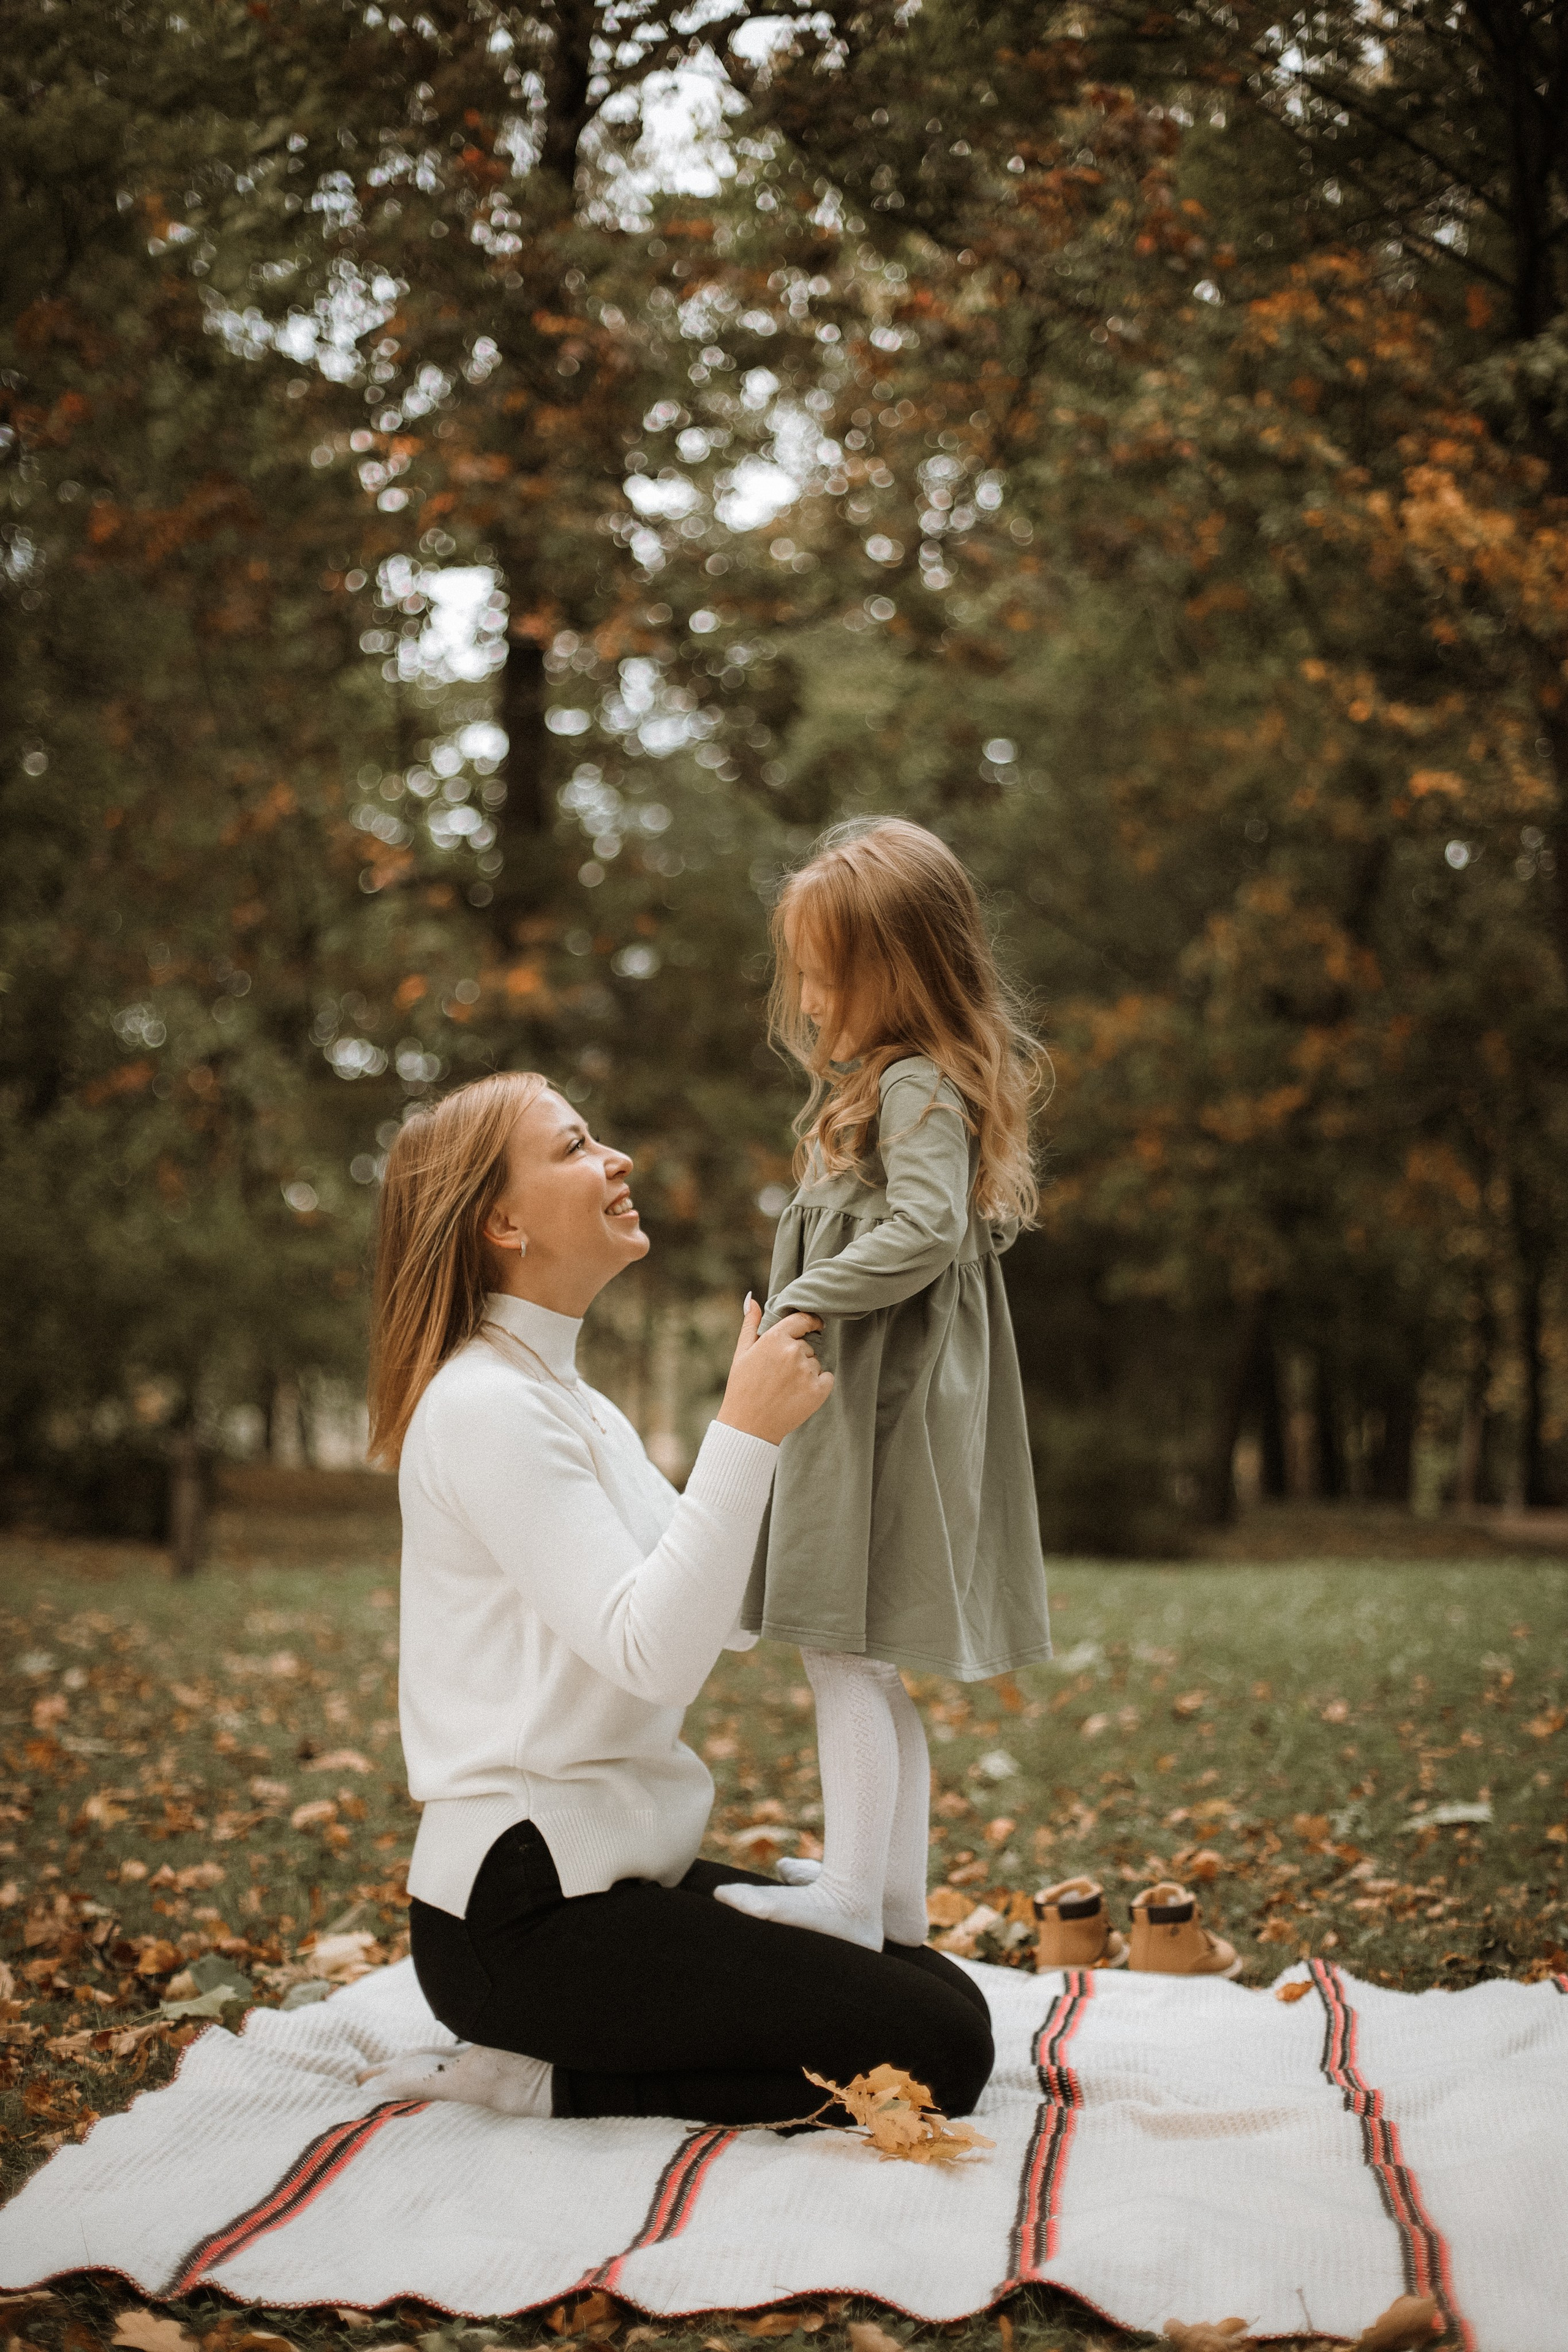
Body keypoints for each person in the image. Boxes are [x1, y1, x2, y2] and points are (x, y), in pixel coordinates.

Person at [359, 1069, 994, 2127]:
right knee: (939, 2056)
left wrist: (838, 1447)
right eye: (572, 1148)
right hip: (521, 1920)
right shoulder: (483, 1407)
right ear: (503, 1221)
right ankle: (542, 2082)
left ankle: (571, 2062)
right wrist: (741, 1433)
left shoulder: (570, 1400)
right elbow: (652, 1651)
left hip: (615, 1882)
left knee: (936, 1994)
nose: (615, 1161)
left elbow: (727, 1608)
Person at [714, 818, 1052, 1951]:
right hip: (862, 1403)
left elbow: (924, 1226)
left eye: (824, 973)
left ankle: (856, 1898)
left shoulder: (913, 1086)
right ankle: (891, 1894)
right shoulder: (889, 1084)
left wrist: (808, 1300)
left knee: (841, 1649)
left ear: (894, 971)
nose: (806, 999)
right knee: (862, 1659)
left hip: (876, 1413)